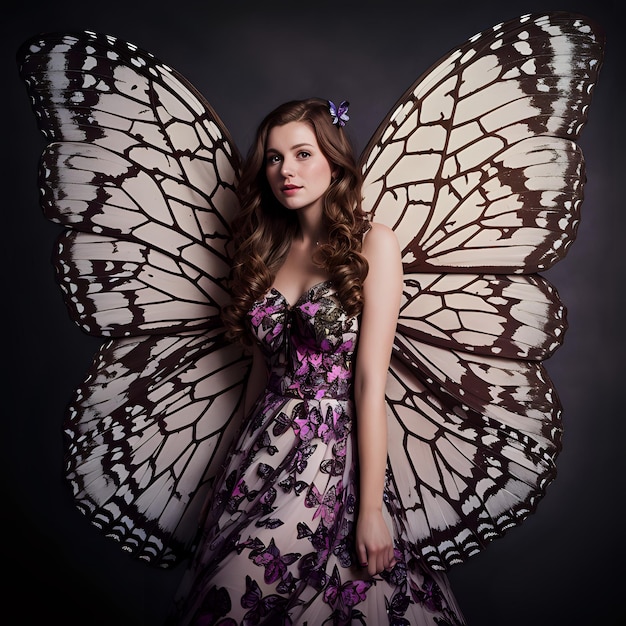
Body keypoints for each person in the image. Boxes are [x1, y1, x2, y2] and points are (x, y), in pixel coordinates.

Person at [167, 98, 465, 625]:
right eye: (275, 158)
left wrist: (371, 509)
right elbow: (261, 373)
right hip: (257, 453)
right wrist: (229, 470)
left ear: (333, 159)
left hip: (330, 457)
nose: (287, 171)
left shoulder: (374, 245)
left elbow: (371, 383)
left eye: (303, 153)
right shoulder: (265, 250)